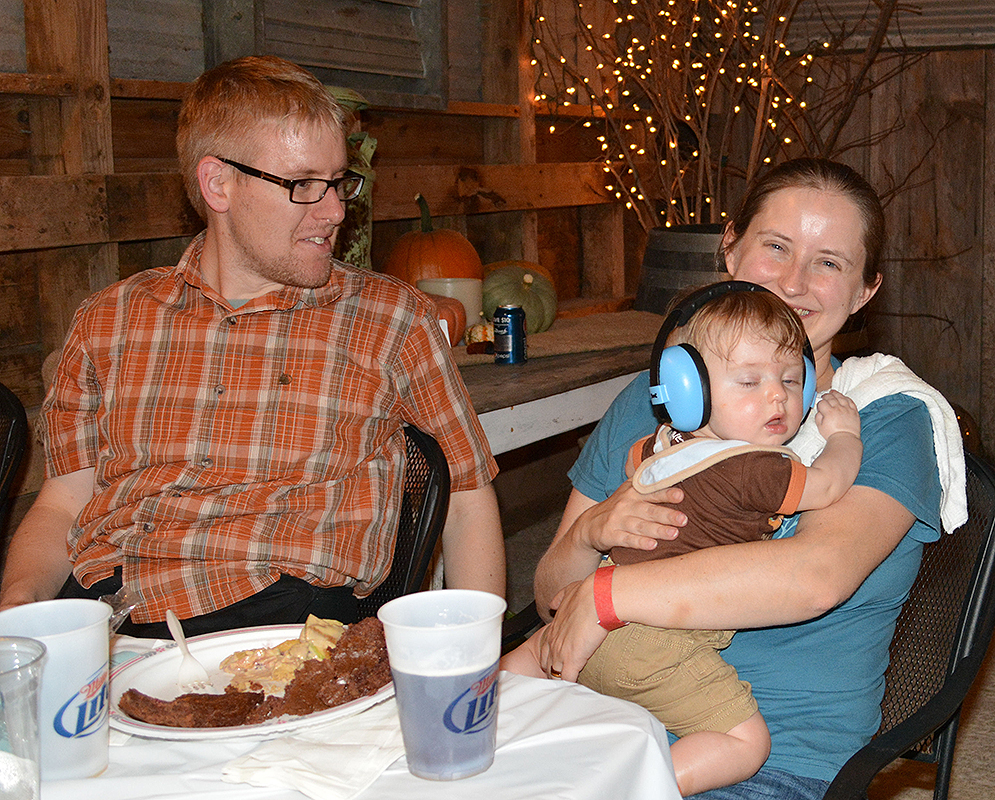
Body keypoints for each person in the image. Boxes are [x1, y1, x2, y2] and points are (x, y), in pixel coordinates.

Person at [0, 55, 505, 637]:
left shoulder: (391, 320)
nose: (335, 211)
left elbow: (467, 500)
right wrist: (20, 608)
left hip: (288, 620)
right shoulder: (109, 321)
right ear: (218, 184)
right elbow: (62, 505)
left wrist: (470, 669)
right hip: (110, 614)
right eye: (304, 186)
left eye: (340, 183)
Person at [531, 158, 968, 799]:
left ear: (865, 290)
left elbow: (814, 577)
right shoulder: (656, 404)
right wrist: (587, 536)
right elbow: (548, 595)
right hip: (604, 718)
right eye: (775, 247)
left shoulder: (884, 414)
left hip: (772, 762)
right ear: (730, 250)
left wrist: (606, 596)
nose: (794, 283)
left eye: (829, 262)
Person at [501, 283, 864, 795]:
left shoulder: (654, 449)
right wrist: (844, 436)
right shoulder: (759, 468)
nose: (778, 396)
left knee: (529, 658)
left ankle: (469, 714)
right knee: (744, 743)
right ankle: (630, 786)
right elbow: (827, 484)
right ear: (689, 389)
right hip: (655, 647)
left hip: (582, 625)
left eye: (789, 379)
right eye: (748, 382)